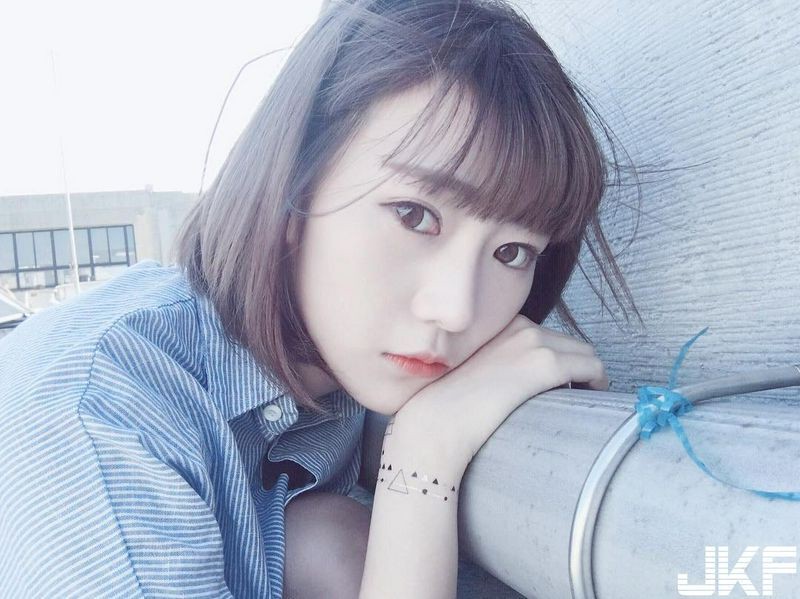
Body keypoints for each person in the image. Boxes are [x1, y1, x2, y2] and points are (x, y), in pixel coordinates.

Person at [0, 0, 640, 597]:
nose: (456, 309)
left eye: (513, 252)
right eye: (415, 215)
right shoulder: (100, 417)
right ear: (291, 186)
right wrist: (424, 459)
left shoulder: (330, 371)